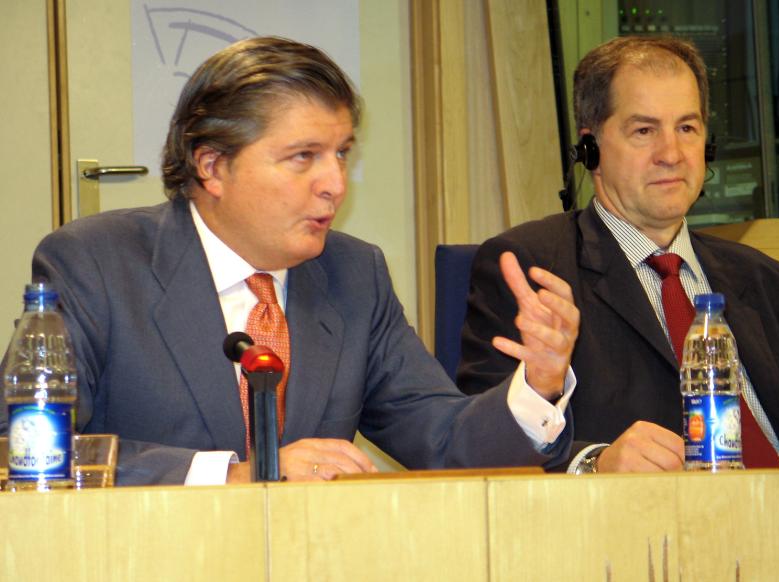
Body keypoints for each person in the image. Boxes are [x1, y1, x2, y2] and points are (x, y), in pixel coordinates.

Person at [0, 36, 579, 486]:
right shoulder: (96, 263)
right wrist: (236, 475)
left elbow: (445, 442)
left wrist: (538, 384)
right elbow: (19, 448)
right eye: (304, 157)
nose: (335, 184)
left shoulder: (355, 275)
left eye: (341, 154)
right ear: (212, 166)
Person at [457, 35, 779, 473]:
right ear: (591, 149)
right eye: (644, 131)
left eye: (686, 128)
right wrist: (594, 463)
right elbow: (482, 448)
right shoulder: (534, 269)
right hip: (646, 515)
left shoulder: (771, 283)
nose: (671, 155)